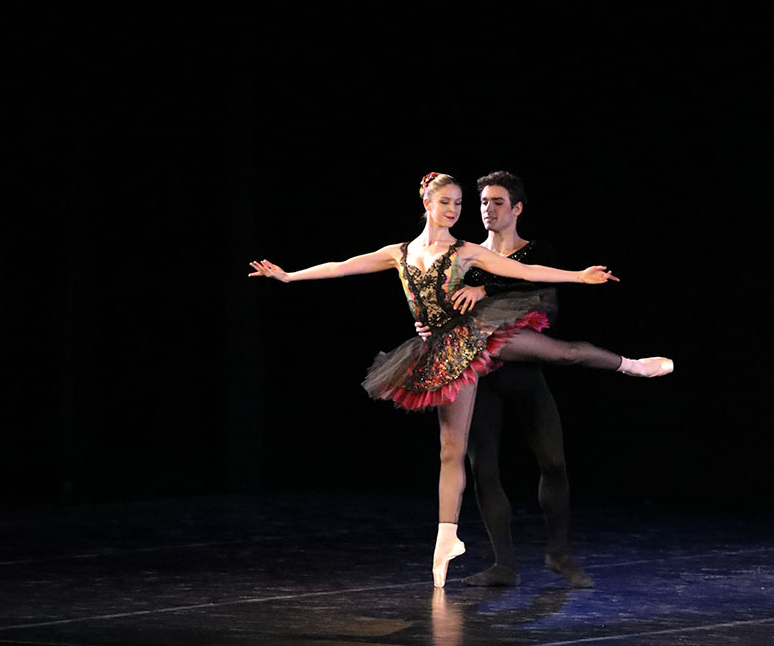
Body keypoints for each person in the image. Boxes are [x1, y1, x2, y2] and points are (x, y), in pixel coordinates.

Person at [248, 172, 673, 588]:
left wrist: (579, 275)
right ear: (427, 204)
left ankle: (633, 365)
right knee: (451, 450)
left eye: (458, 203)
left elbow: (526, 273)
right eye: (446, 202)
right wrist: (289, 276)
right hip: (445, 352)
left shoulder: (466, 251)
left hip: (478, 332)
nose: (453, 209)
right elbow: (343, 267)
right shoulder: (398, 253)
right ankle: (446, 538)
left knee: (563, 352)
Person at [414, 170, 600, 587]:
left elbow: (544, 306)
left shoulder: (535, 253)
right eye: (483, 202)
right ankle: (504, 564)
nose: (488, 209)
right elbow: (444, 306)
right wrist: (428, 326)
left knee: (553, 462)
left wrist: (489, 292)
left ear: (516, 208)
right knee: (484, 468)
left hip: (524, 371)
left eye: (497, 202)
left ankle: (558, 553)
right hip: (481, 376)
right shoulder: (465, 256)